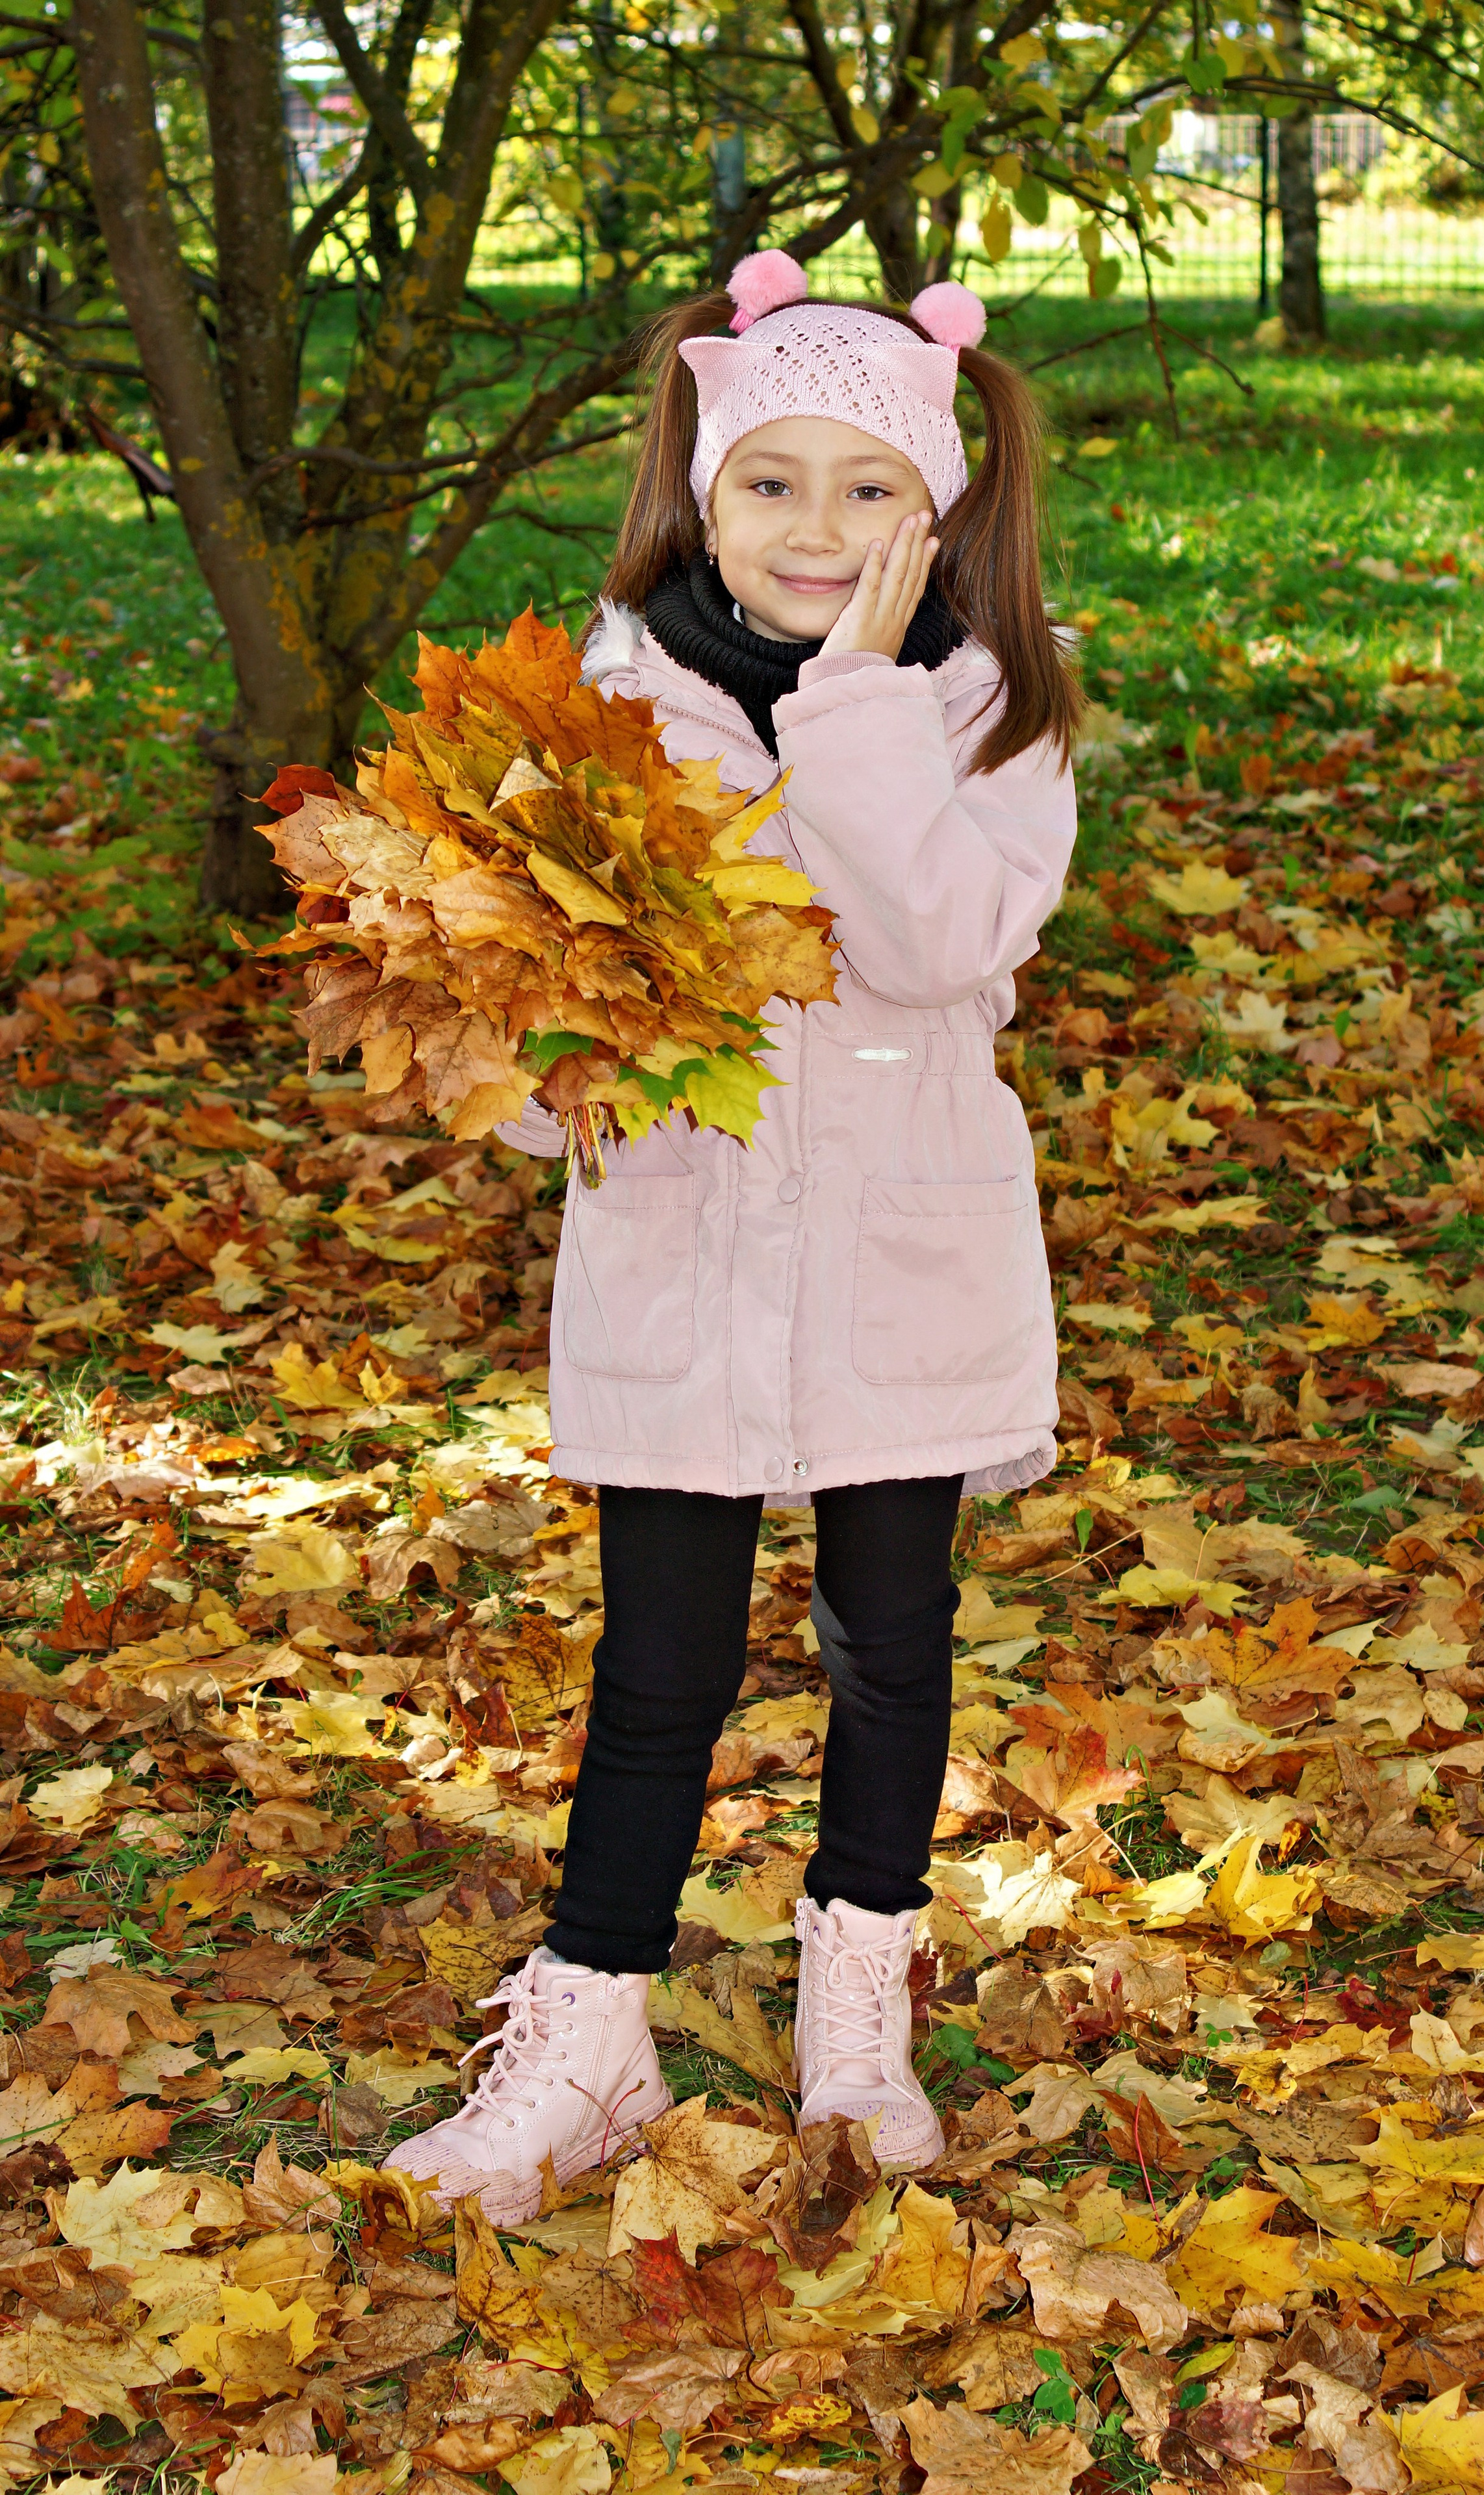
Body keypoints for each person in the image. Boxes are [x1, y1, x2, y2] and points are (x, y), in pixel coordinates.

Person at [384, 249, 1079, 2225]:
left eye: (869, 489)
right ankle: (593, 2023)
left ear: (936, 506)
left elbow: (944, 937)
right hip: (684, 1251)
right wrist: (530, 1059)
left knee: (894, 1631)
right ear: (701, 487)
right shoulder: (606, 706)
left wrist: (855, 698)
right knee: (662, 1658)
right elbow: (531, 1018)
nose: (816, 526)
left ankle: (857, 1980)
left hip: (902, 1249)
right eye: (770, 480)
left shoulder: (988, 708)